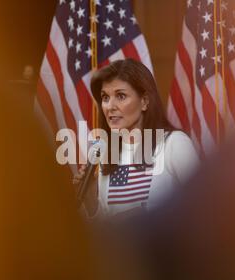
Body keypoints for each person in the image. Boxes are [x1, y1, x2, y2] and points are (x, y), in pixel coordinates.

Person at [74, 59, 199, 218]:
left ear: (144, 101)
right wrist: (91, 199)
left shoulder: (174, 143)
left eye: (120, 96)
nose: (110, 106)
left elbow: (203, 205)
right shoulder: (107, 155)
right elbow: (104, 231)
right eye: (105, 97)